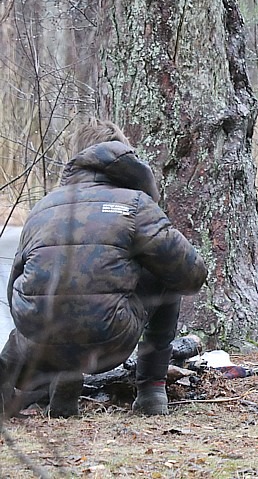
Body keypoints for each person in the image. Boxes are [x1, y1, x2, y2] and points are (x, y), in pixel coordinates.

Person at [0, 119, 207, 417]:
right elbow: (192, 276)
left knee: (38, 296)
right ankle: (151, 390)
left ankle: (21, 377)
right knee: (167, 272)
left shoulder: (43, 206)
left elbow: (15, 286)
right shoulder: (136, 203)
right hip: (107, 341)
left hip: (39, 343)